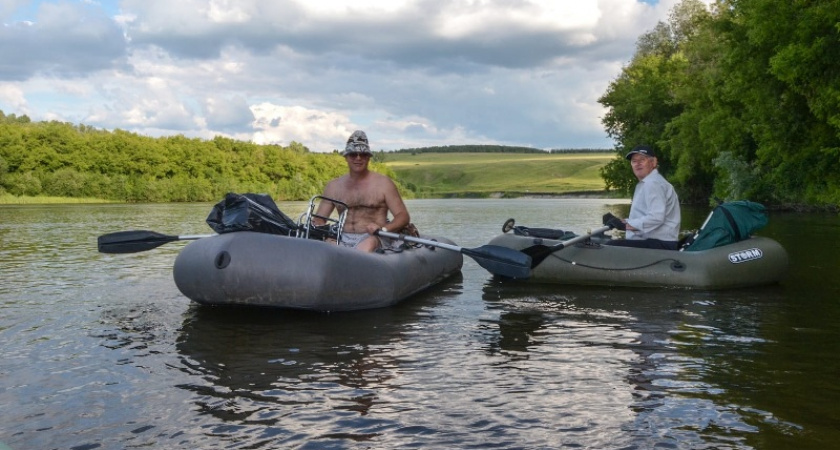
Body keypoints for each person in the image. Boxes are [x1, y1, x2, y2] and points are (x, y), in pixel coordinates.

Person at [313, 130, 410, 252]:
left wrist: (384, 229)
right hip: (341, 236)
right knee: (327, 245)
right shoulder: (333, 186)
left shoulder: (384, 184)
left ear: (369, 157)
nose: (358, 158)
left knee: (368, 244)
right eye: (353, 154)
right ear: (346, 157)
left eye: (363, 154)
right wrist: (323, 235)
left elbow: (403, 216)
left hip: (374, 237)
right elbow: (319, 219)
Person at [603, 145, 681, 250]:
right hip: (655, 242)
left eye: (642, 159)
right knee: (608, 243)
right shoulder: (648, 183)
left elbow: (656, 218)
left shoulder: (653, 183)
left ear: (653, 163)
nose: (637, 164)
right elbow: (645, 217)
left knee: (610, 246)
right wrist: (620, 222)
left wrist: (625, 225)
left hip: (660, 244)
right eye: (634, 161)